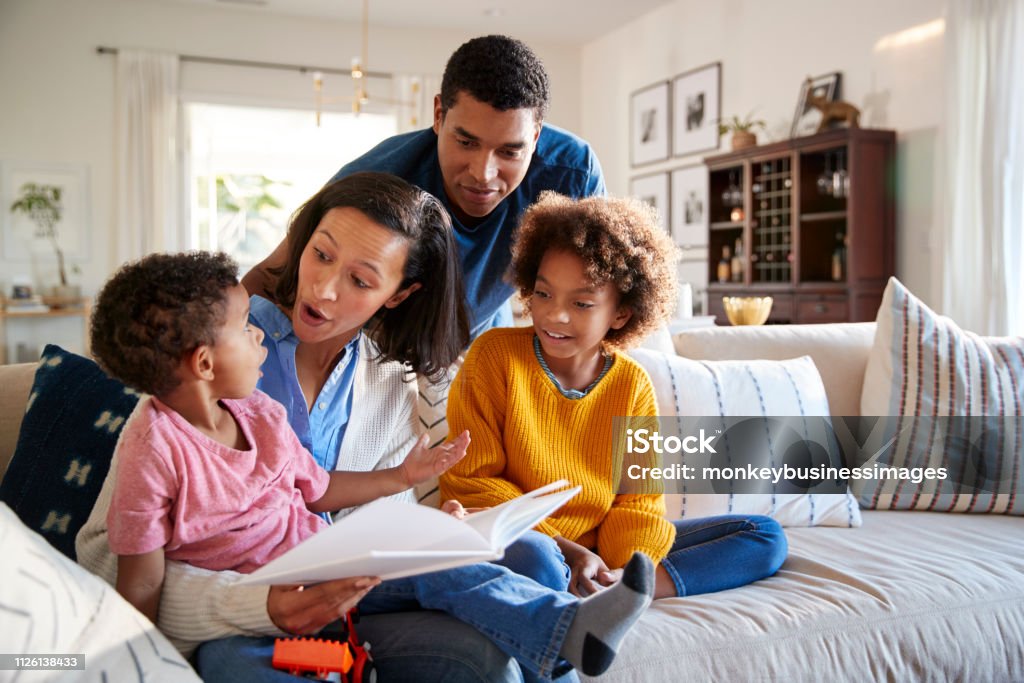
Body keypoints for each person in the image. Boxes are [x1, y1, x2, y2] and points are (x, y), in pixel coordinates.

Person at [74, 173, 594, 682]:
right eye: (320, 255)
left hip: (341, 584)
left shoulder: (386, 380)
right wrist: (255, 605)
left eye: (361, 280)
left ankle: (571, 634)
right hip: (234, 608)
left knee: (532, 565)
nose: (321, 288)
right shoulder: (199, 357)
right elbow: (115, 559)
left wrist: (431, 526)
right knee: (234, 664)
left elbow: (359, 509)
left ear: (397, 294)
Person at [440, 192, 789, 600]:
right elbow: (472, 483)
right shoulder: (493, 357)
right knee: (537, 561)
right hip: (527, 541)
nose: (555, 315)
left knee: (764, 536)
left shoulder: (632, 384)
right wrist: (568, 552)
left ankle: (618, 589)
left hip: (603, 547)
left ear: (620, 314)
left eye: (582, 303)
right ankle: (584, 584)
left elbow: (637, 500)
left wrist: (622, 564)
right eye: (543, 293)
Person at [245, 34, 606, 337]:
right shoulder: (375, 178)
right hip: (383, 345)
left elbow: (599, 291)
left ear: (537, 137)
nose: (483, 173)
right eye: (466, 142)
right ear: (438, 115)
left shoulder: (571, 174)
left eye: (510, 151)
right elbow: (267, 278)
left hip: (484, 336)